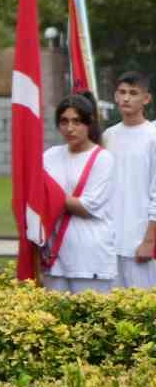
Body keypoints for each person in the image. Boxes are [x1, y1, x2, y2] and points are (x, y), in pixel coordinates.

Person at [41, 94, 117, 293]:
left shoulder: (102, 159)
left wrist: (52, 197)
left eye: (77, 121)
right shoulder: (50, 156)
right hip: (55, 258)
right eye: (64, 121)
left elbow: (86, 207)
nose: (70, 128)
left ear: (89, 123)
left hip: (90, 258)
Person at [102, 72, 156, 289]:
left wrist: (149, 241)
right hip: (109, 243)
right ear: (115, 96)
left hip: (140, 243)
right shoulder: (108, 136)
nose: (126, 98)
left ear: (146, 99)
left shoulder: (152, 136)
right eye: (122, 92)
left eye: (133, 93)